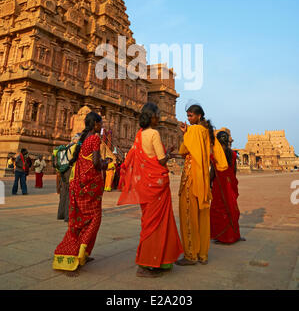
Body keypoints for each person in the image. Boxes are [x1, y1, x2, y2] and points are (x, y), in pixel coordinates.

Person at [118, 102, 183, 278]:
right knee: (158, 224)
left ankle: (157, 260)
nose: (159, 117)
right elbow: (161, 160)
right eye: (158, 114)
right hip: (157, 186)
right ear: (151, 116)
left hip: (146, 186)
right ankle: (147, 265)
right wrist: (168, 154)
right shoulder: (154, 133)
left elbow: (140, 157)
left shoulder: (139, 135)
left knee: (149, 223)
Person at [52, 112, 108, 273]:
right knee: (93, 220)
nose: (102, 126)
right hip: (90, 187)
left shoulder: (82, 139)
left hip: (79, 186)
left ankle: (78, 253)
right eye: (101, 123)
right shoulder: (95, 138)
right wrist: (105, 163)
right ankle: (79, 252)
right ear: (96, 124)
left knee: (79, 221)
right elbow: (96, 163)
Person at [176, 103, 228, 266]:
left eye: (191, 116)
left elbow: (183, 151)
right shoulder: (208, 132)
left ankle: (191, 255)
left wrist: (185, 134)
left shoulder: (194, 130)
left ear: (199, 116)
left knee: (188, 215)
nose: (189, 119)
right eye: (188, 116)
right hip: (203, 178)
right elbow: (220, 158)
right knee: (203, 216)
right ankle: (203, 254)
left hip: (191, 177)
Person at [210, 131, 245, 244]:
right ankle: (234, 234)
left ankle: (222, 236)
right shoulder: (233, 154)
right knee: (232, 208)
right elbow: (234, 171)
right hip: (230, 184)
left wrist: (208, 183)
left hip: (219, 185)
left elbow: (212, 173)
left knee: (219, 209)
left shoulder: (215, 155)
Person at [56, 134, 81, 222]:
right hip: (70, 171)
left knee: (64, 192)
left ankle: (61, 214)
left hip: (63, 171)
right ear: (75, 140)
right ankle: (68, 216)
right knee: (70, 193)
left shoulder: (65, 147)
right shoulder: (74, 147)